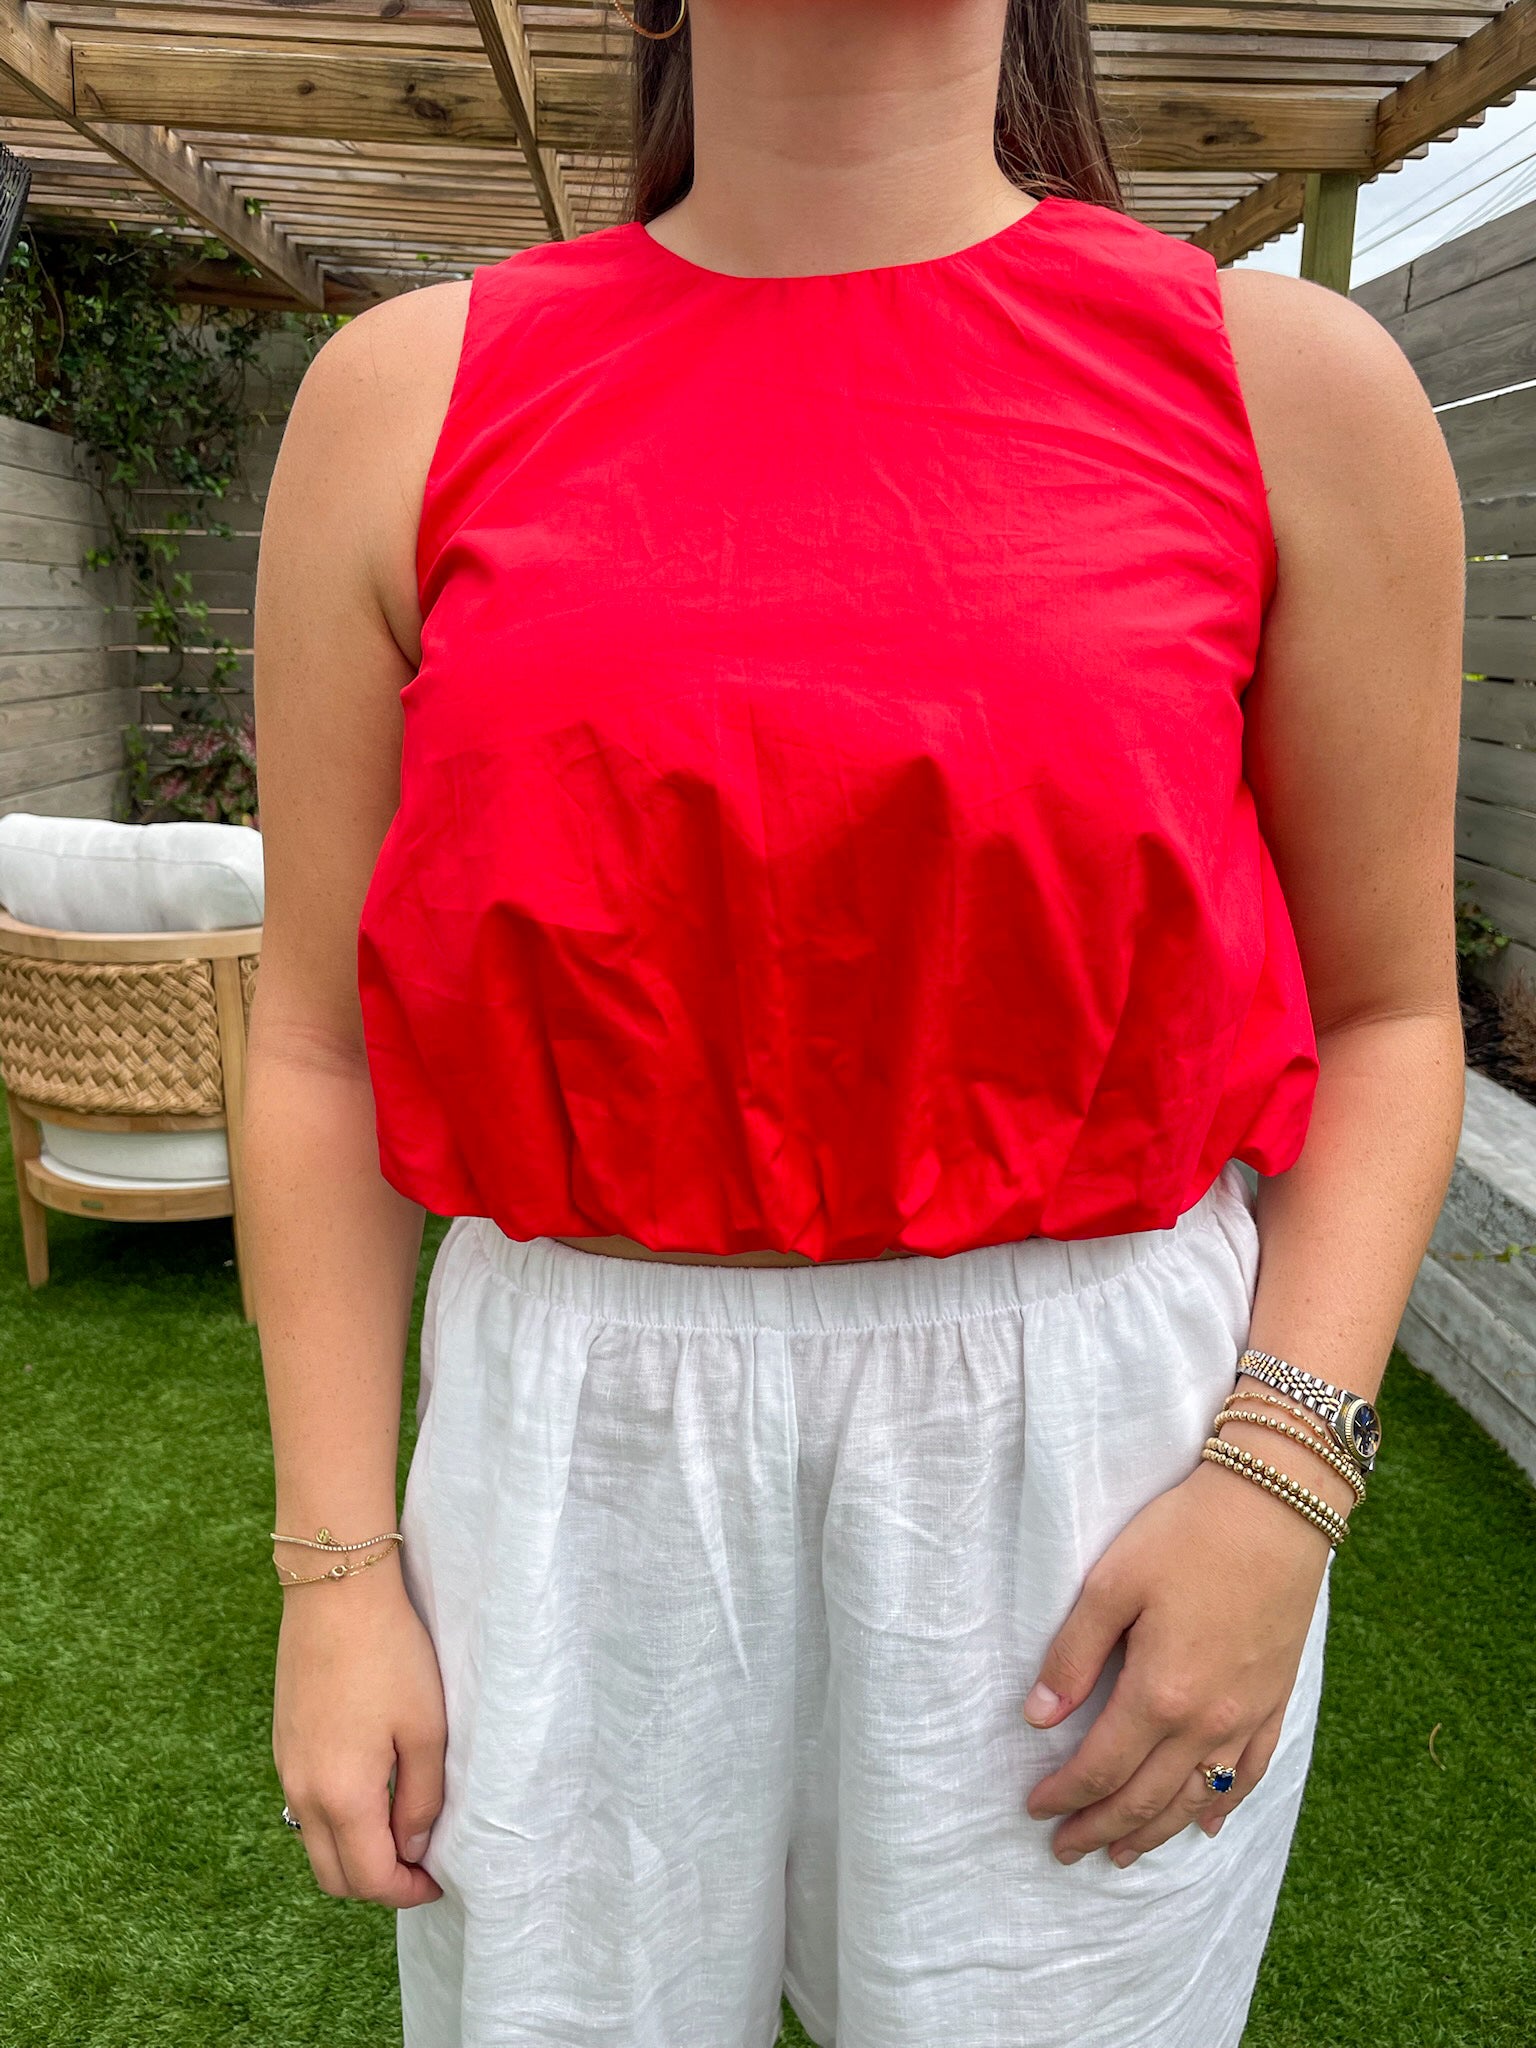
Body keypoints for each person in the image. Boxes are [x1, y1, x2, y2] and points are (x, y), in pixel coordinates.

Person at [246, 1, 1466, 2042]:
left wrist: (1282, 1482)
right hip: (569, 1461)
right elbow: (317, 1041)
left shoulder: (1286, 388)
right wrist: (334, 1565)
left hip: (1091, 1465)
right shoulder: (406, 398)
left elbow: (1390, 1012)